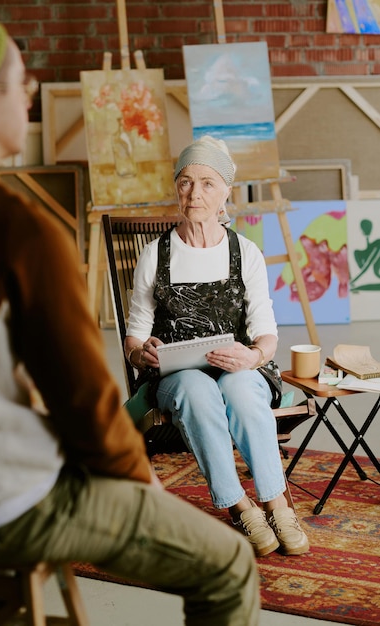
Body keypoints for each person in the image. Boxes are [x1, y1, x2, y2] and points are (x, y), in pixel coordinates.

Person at [0, 17, 260, 626]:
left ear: (224, 195)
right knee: (230, 566)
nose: (35, 93)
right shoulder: (16, 232)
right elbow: (83, 397)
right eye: (24, 82)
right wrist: (137, 481)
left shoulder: (243, 251)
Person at [125, 135, 310, 558]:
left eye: (208, 183)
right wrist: (141, 352)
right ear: (176, 186)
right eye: (186, 181)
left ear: (227, 190)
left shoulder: (245, 252)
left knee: (242, 391)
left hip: (239, 367)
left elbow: (265, 332)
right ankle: (238, 505)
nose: (195, 193)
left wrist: (254, 356)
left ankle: (275, 502)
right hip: (176, 377)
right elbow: (134, 335)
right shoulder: (156, 255)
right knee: (197, 389)